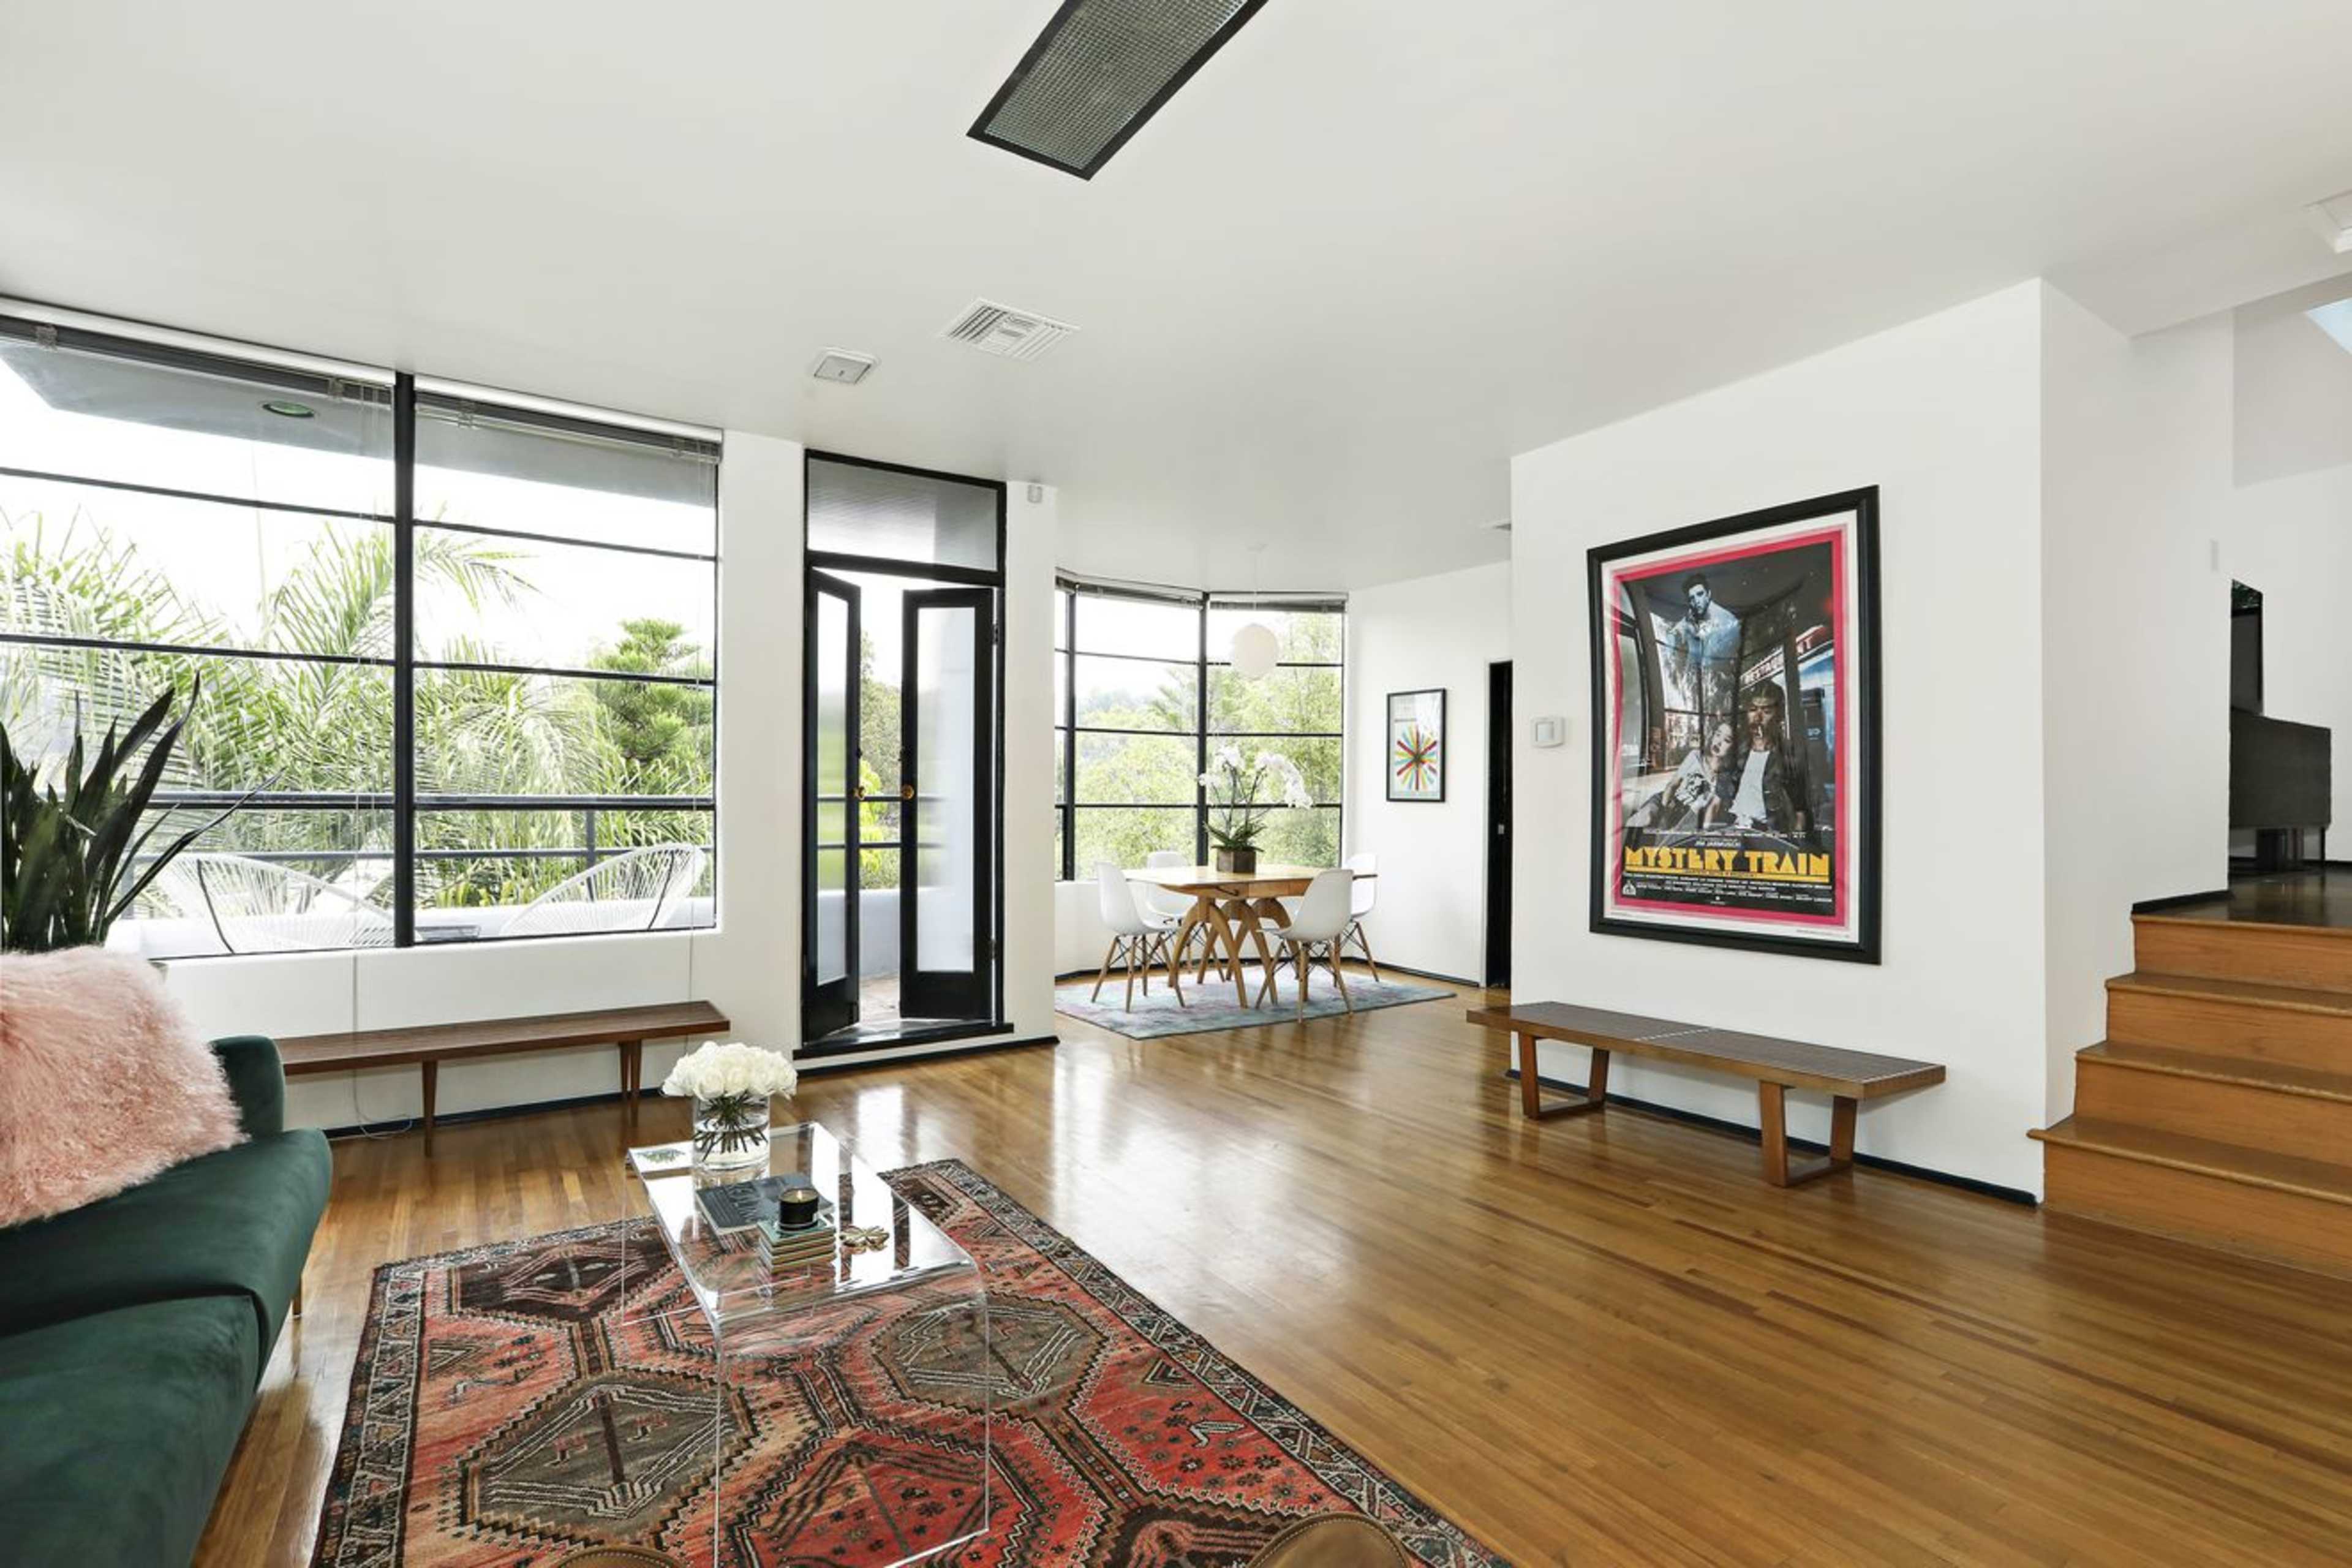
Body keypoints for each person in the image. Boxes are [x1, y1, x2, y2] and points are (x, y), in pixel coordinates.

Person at [1724, 682, 1807, 837]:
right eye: (1753, 710)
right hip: (1733, 832)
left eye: (1767, 711)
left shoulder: (1789, 755)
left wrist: (1796, 847)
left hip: (1767, 838)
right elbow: (1719, 796)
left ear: (1779, 715)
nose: (1758, 717)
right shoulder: (1737, 752)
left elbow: (1800, 811)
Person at [1627, 720, 1736, 834]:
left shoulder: (1726, 776)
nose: (1719, 742)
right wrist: (1664, 817)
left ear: (1733, 747)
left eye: (1727, 740)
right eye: (1718, 735)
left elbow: (1712, 809)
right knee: (1644, 819)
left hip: (1687, 815)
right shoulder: (1696, 756)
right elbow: (1673, 785)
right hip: (1666, 801)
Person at [1663, 574, 1742, 731]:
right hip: (1696, 689)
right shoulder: (1691, 616)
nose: (1696, 601)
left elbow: (1717, 663)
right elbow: (1674, 634)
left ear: (1709, 594)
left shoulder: (1728, 622)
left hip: (1718, 690)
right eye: (1691, 598)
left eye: (1700, 595)